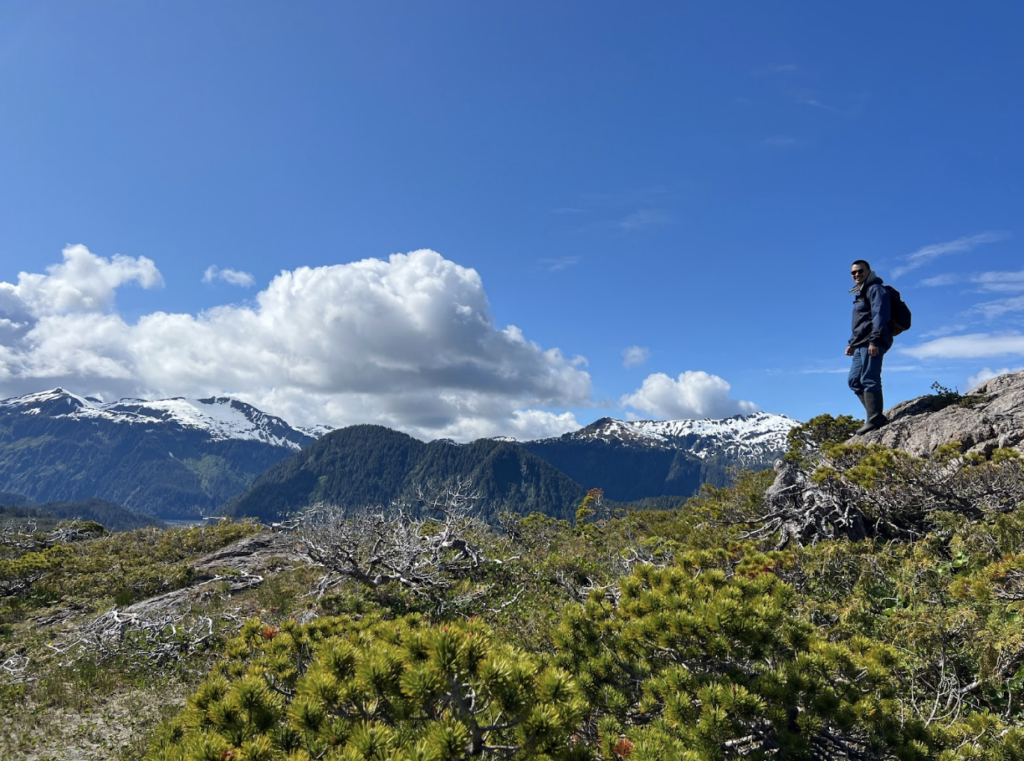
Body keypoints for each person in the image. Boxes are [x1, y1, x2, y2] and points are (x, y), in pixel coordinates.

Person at [845, 260, 892, 434]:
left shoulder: (876, 289)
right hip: (860, 343)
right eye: (853, 273)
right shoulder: (861, 292)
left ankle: (874, 419)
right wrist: (851, 343)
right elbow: (861, 323)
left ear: (868, 271)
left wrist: (875, 341)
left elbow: (880, 317)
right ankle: (876, 416)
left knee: (869, 378)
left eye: (859, 271)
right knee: (854, 380)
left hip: (873, 341)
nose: (856, 275)